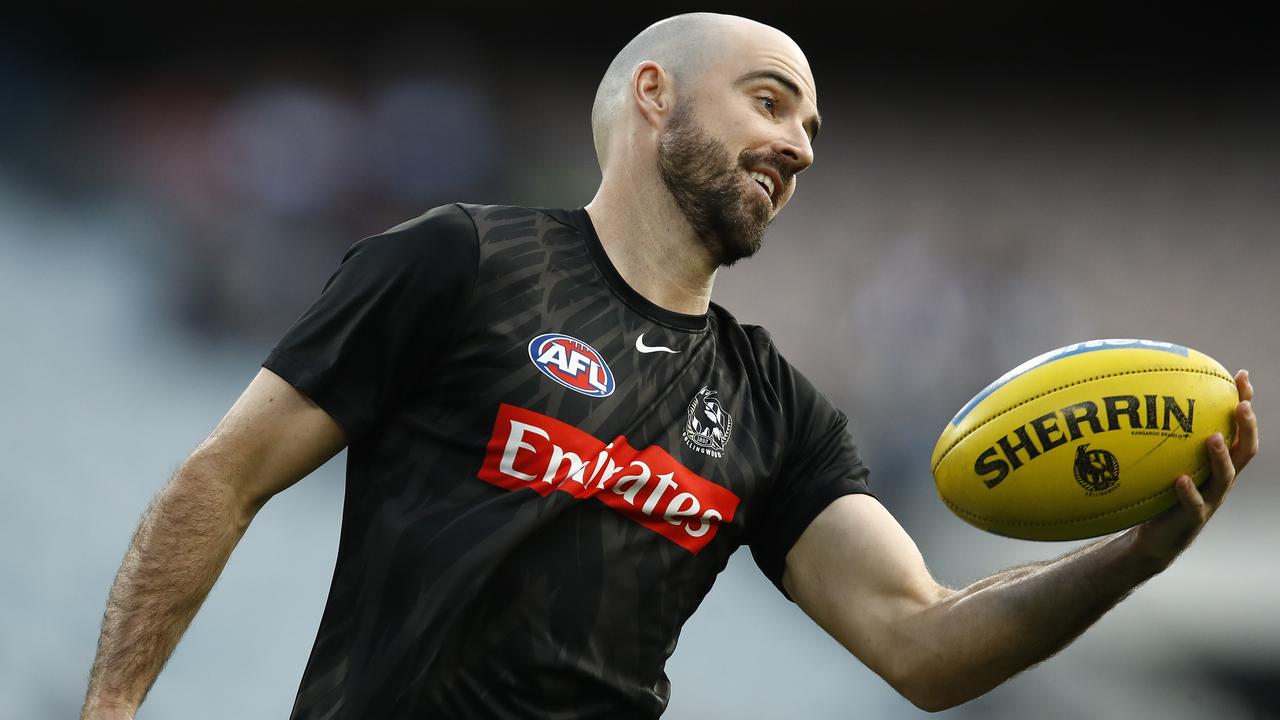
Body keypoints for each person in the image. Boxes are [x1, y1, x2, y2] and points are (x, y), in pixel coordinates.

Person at [80, 12, 1259, 719]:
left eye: (809, 130)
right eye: (768, 102)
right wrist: (113, 706)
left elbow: (922, 643)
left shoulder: (775, 408)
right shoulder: (457, 263)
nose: (797, 145)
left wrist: (1139, 552)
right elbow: (222, 478)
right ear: (654, 96)